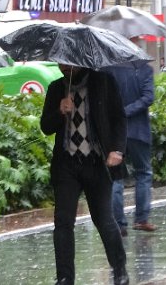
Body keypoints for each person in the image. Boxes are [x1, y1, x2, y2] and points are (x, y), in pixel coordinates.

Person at [40, 64, 130, 285]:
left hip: (96, 162)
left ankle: (120, 270)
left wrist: (117, 150)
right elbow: (46, 126)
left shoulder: (103, 83)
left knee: (103, 219)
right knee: (63, 222)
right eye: (61, 63)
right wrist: (59, 111)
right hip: (66, 165)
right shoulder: (56, 88)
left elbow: (119, 118)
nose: (65, 67)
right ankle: (64, 277)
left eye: (69, 63)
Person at [104, 60, 157, 236]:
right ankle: (141, 220)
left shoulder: (108, 69)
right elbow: (148, 97)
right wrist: (126, 111)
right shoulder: (144, 69)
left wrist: (117, 113)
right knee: (143, 173)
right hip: (138, 131)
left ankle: (119, 224)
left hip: (114, 131)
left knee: (115, 178)